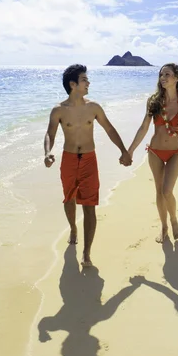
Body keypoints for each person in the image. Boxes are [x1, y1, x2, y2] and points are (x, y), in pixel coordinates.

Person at [44, 64, 132, 267]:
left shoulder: (93, 107)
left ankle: (86, 253)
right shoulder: (59, 110)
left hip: (89, 159)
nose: (88, 82)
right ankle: (73, 228)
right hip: (69, 158)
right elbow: (50, 134)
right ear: (73, 84)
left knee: (90, 205)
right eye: (84, 79)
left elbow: (109, 129)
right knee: (69, 198)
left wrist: (124, 151)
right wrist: (48, 153)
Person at [127, 63, 178, 243]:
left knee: (167, 190)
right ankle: (163, 226)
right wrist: (130, 150)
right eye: (161, 74)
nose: (163, 77)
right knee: (159, 191)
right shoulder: (154, 101)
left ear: (177, 78)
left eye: (167, 74)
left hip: (175, 152)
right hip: (155, 152)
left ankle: (173, 220)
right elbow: (144, 127)